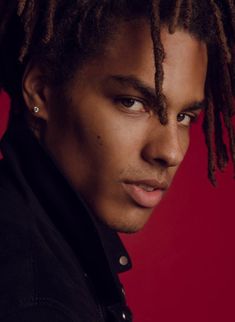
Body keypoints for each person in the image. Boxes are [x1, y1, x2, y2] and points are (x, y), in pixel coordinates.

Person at [0, 1, 234, 321]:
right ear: (41, 90)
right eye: (132, 102)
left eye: (184, 116)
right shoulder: (34, 302)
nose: (171, 152)